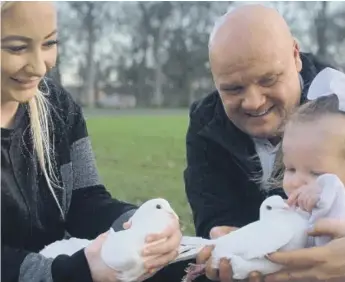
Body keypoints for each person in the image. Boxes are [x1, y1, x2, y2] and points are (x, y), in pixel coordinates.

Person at [1, 2, 197, 282]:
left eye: (49, 43)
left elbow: (85, 200)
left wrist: (142, 224)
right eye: (17, 47)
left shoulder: (60, 107)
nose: (38, 66)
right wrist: (71, 272)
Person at [184, 3, 334, 281]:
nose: (253, 102)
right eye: (233, 88)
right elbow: (211, 212)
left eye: (268, 79)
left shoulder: (339, 105)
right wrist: (218, 233)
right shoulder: (205, 123)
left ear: (295, 55)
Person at [197, 68, 345, 282]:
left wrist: (329, 196)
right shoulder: (295, 209)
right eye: (291, 169)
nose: (295, 182)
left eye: (317, 174)